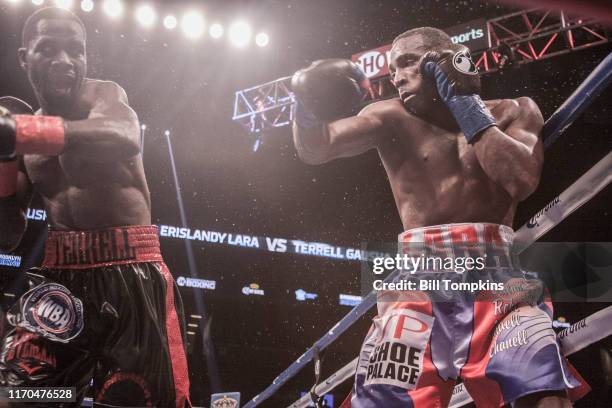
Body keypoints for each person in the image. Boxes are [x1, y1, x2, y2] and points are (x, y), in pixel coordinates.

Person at [292, 27, 587, 407]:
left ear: (447, 60)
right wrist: (305, 105)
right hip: (418, 283)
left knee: (542, 393)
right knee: (384, 401)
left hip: (497, 284)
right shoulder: (389, 117)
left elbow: (520, 180)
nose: (396, 76)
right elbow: (317, 149)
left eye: (408, 62)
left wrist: (465, 103)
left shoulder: (515, 110)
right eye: (392, 68)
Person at [0, 7, 190, 407]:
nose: (65, 62)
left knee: (132, 400)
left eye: (76, 50)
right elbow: (8, 235)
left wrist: (23, 132)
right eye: (48, 49)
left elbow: (124, 137)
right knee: (22, 397)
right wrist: (2, 161)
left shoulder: (103, 96)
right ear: (24, 57)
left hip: (130, 273)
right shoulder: (20, 137)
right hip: (59, 281)